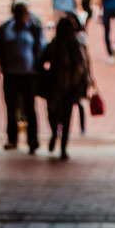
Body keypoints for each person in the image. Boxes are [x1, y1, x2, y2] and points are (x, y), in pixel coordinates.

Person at [0, 0, 43, 153]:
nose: (21, 17)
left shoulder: (33, 29)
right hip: (11, 75)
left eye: (23, 14)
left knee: (30, 108)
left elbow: (40, 48)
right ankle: (12, 138)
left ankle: (32, 139)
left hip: (28, 75)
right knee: (11, 107)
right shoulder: (5, 29)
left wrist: (38, 68)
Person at [39, 15, 91, 159]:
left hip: (62, 87)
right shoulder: (59, 45)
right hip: (63, 87)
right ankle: (58, 139)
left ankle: (60, 142)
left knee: (57, 114)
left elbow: (40, 63)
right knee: (61, 116)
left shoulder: (67, 45)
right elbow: (82, 67)